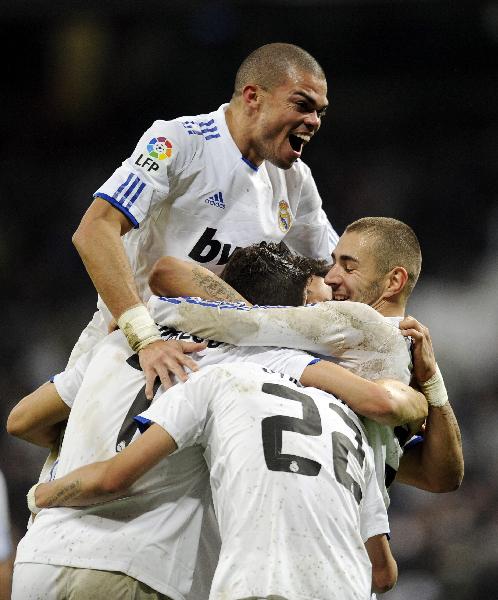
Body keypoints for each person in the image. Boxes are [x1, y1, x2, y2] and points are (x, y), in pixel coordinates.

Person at [9, 245, 422, 599]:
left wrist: (78, 454)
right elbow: (378, 400)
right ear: (296, 309)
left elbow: (21, 421)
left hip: (38, 561)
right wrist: (423, 394)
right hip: (141, 568)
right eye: (319, 302)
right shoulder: (265, 363)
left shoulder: (126, 337)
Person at [69, 42, 337, 399]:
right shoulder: (178, 141)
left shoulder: (295, 180)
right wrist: (144, 337)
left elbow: (337, 267)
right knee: (53, 437)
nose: (314, 122)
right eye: (302, 105)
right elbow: (95, 230)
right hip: (135, 343)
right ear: (253, 96)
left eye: (320, 112)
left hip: (219, 361)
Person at [145, 217, 464, 502]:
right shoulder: (404, 362)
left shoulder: (353, 319)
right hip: (349, 526)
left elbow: (240, 322)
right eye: (333, 263)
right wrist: (432, 386)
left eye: (348, 267)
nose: (331, 277)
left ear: (394, 281)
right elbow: (441, 477)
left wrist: (149, 316)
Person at [26, 363, 398, 600]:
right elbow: (383, 575)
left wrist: (40, 494)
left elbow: (111, 477)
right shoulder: (355, 426)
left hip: (255, 587)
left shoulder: (224, 377)